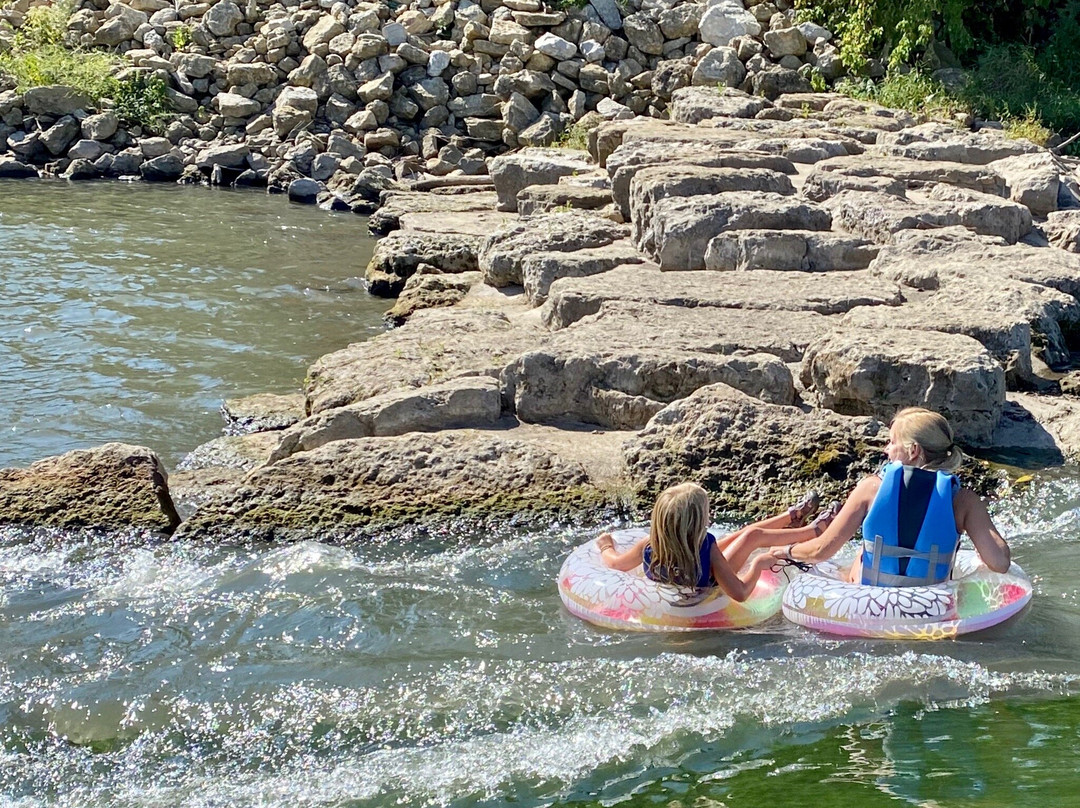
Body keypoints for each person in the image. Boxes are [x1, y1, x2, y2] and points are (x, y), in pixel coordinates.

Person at [765, 407, 1012, 583]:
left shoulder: (871, 489)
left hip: (869, 603)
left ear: (913, 450)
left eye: (892, 442)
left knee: (857, 557)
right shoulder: (964, 500)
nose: (886, 449)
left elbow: (821, 550)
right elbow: (999, 563)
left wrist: (783, 552)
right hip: (929, 607)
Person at [595, 482, 837, 602]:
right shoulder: (707, 547)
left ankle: (791, 517)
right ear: (695, 523)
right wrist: (758, 565)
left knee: (737, 535)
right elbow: (740, 593)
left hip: (692, 564)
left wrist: (606, 546)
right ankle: (812, 531)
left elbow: (615, 564)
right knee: (751, 537)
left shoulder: (650, 545)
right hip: (710, 577)